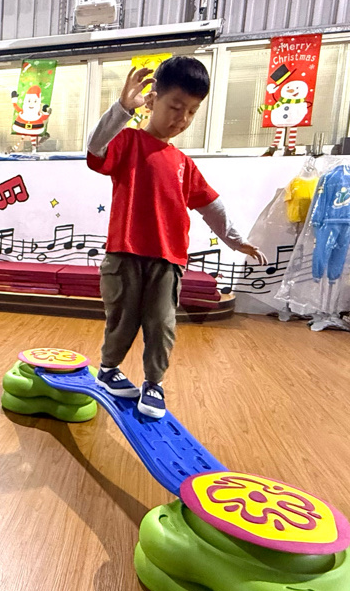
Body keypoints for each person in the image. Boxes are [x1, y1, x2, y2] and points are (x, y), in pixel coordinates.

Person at [87, 57, 265, 419]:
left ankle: (153, 383)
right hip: (125, 253)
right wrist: (122, 109)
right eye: (176, 107)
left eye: (192, 111)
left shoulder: (184, 163)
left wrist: (235, 240)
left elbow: (211, 205)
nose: (182, 118)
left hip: (168, 259)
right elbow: (95, 149)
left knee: (162, 323)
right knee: (122, 319)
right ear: (153, 100)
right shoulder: (128, 142)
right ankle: (108, 369)